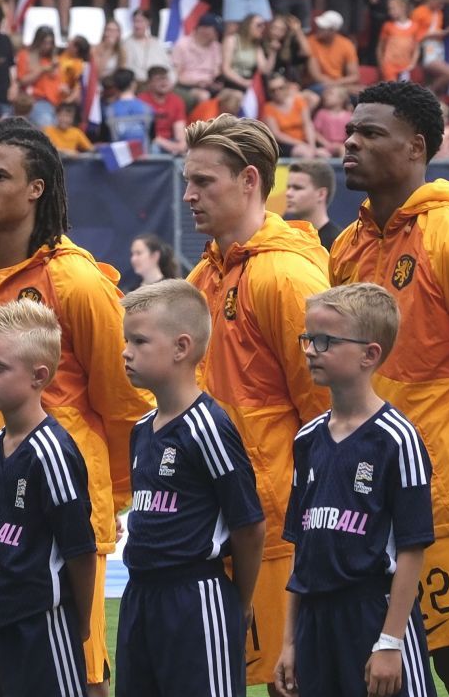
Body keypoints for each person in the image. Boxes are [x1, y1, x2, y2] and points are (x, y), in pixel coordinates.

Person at [0, 119, 148, 690]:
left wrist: (105, 501)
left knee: (75, 672)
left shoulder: (77, 282)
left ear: (36, 188)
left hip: (55, 522)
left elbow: (126, 401)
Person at [329, 81, 449, 697]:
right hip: (364, 503)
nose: (350, 142)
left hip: (448, 505)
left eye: (370, 133)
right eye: (350, 131)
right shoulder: (347, 249)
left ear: (416, 147)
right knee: (370, 668)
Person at [180, 115, 330, 690]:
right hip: (226, 526)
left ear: (249, 180)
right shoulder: (205, 278)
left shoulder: (286, 277)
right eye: (187, 182)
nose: (189, 194)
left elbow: (329, 416)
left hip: (281, 531)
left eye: (203, 181)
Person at [275, 282, 433, 697]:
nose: (310, 350)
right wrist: (290, 642)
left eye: (325, 341)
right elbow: (301, 553)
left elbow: (412, 549)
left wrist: (390, 642)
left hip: (373, 616)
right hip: (315, 623)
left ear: (370, 354)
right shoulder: (307, 439)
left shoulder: (397, 439)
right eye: (308, 338)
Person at [116, 278, 264, 697]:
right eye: (126, 340)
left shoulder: (208, 427)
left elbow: (249, 526)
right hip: (140, 594)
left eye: (140, 341)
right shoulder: (142, 430)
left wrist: (242, 600)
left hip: (195, 595)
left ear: (181, 348)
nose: (126, 351)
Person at [0, 299, 98, 697]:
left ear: (39, 377)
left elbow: (80, 550)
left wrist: (80, 621)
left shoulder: (52, 453)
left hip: (41, 625)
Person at [282, 159, 341, 245]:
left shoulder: (338, 243)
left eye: (297, 188)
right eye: (288, 187)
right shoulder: (283, 236)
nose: (288, 193)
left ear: (321, 194)